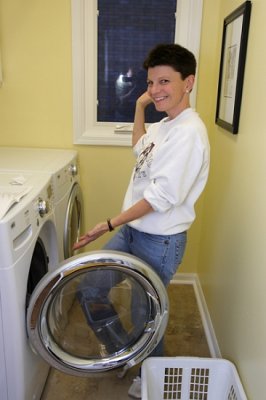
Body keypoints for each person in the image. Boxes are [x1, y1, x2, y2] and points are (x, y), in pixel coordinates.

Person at [73, 43, 210, 399]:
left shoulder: (189, 133)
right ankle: (123, 352)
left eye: (165, 81)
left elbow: (160, 198)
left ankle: (152, 378)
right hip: (134, 233)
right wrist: (138, 107)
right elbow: (140, 150)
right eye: (151, 83)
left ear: (189, 82)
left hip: (159, 241)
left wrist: (108, 223)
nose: (155, 90)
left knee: (146, 313)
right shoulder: (166, 126)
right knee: (89, 288)